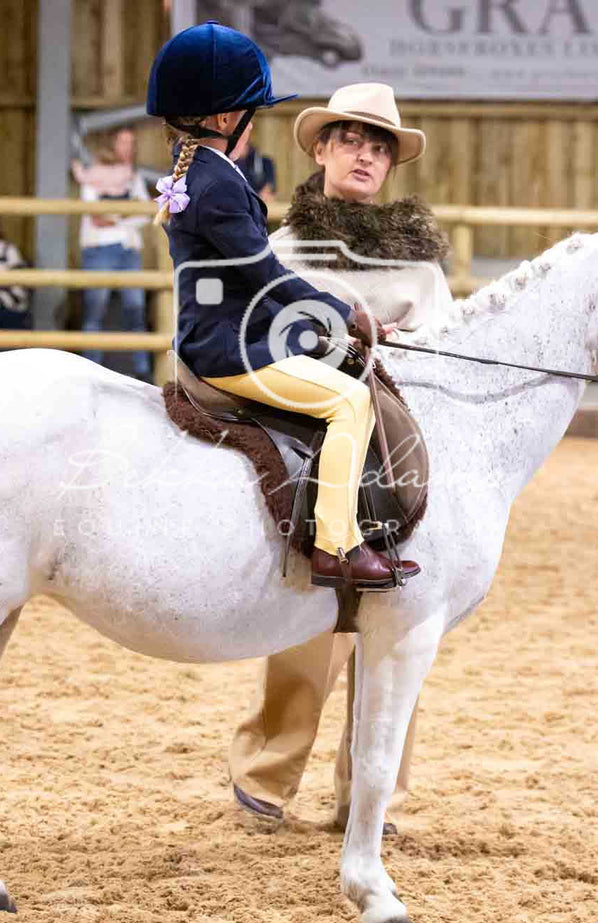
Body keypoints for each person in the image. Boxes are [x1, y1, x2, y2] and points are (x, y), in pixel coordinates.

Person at [228, 82, 452, 832]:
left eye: (379, 145)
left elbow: (443, 356)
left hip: (399, 452)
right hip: (312, 440)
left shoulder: (422, 269)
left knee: (399, 625)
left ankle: (368, 788)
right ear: (321, 148)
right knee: (307, 611)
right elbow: (266, 338)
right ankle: (267, 770)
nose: (366, 154)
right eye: (351, 139)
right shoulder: (284, 249)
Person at [146, 21, 421, 591]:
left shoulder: (199, 169)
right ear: (225, 119)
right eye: (251, 109)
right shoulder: (218, 183)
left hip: (230, 330)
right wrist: (345, 314)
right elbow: (266, 275)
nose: (254, 118)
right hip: (227, 348)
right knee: (349, 403)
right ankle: (337, 546)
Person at [72, 127, 153, 379]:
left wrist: (116, 215)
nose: (127, 148)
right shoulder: (95, 173)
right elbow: (95, 215)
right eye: (122, 143)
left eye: (131, 143)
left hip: (127, 248)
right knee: (96, 309)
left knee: (135, 308)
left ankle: (142, 371)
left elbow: (144, 213)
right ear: (111, 146)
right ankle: (89, 370)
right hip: (99, 249)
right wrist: (126, 212)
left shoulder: (134, 177)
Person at [236, 140, 277, 204]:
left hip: (261, 199)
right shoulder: (232, 163)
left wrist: (266, 191)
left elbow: (270, 182)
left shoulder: (264, 162)